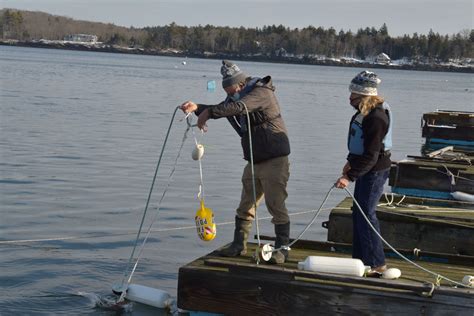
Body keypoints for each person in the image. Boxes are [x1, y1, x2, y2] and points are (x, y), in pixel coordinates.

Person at [180, 60, 291, 264]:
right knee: (245, 205)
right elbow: (225, 107)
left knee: (275, 204)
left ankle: (282, 249)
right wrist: (198, 108)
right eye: (228, 93)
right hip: (254, 161)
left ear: (241, 85)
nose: (230, 96)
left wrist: (210, 113)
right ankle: (239, 245)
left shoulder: (261, 92)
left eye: (232, 91)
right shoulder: (235, 96)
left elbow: (239, 107)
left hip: (275, 160)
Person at [335, 70, 393, 276]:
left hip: (375, 171)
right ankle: (360, 260)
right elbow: (360, 145)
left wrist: (348, 177)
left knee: (367, 214)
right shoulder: (364, 112)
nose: (349, 98)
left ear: (365, 96)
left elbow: (371, 155)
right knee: (358, 213)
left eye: (354, 95)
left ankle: (377, 263)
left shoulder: (376, 117)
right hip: (364, 168)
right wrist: (350, 163)